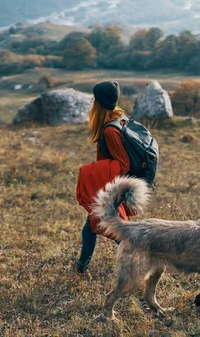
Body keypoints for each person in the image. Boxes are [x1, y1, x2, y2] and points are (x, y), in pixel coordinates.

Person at [75, 81, 132, 278]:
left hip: (112, 187)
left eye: (94, 99)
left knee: (119, 232)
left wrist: (93, 171)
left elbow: (122, 164)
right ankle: (81, 270)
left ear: (98, 103)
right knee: (90, 227)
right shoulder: (120, 119)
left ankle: (138, 266)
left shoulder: (110, 131)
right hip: (112, 186)